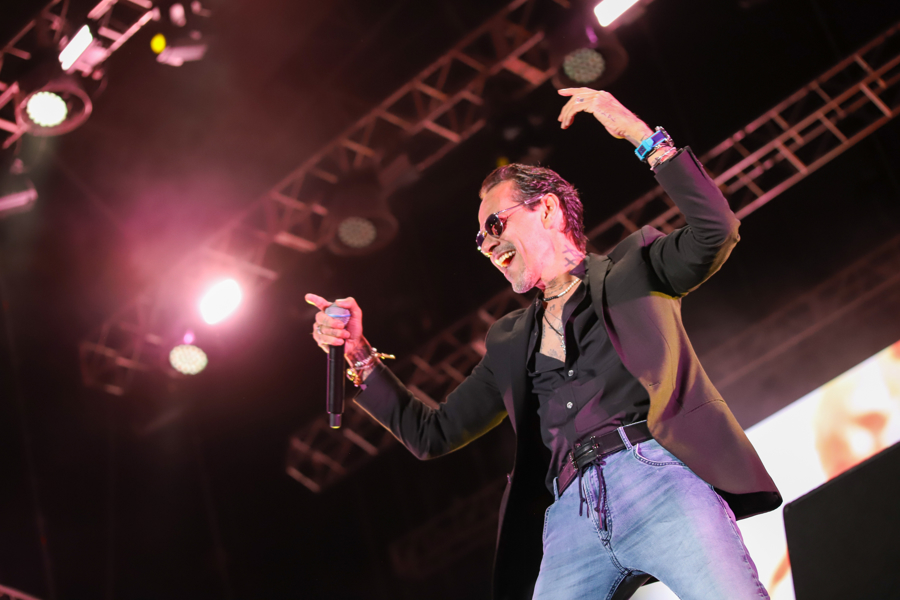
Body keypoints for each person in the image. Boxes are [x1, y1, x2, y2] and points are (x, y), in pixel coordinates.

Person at [307, 88, 782, 600]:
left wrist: (642, 137)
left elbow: (716, 231)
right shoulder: (509, 340)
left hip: (656, 475)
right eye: (480, 241)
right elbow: (433, 434)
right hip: (569, 518)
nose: (488, 246)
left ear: (549, 210)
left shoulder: (634, 268)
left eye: (495, 225)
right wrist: (358, 352)